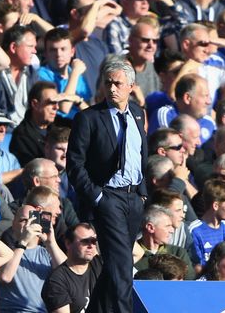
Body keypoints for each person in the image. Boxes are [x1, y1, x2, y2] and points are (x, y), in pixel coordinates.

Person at [66, 58, 147, 313]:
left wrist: (143, 193)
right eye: (108, 83)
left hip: (133, 197)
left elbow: (140, 154)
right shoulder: (88, 118)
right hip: (108, 196)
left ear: (131, 86)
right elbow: (74, 164)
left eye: (118, 84)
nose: (112, 89)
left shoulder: (137, 113)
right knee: (123, 265)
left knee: (114, 266)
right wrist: (97, 197)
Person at [41, 223, 103, 313]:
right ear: (68, 244)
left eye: (93, 241)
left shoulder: (100, 264)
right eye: (85, 241)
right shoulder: (56, 280)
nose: (91, 246)